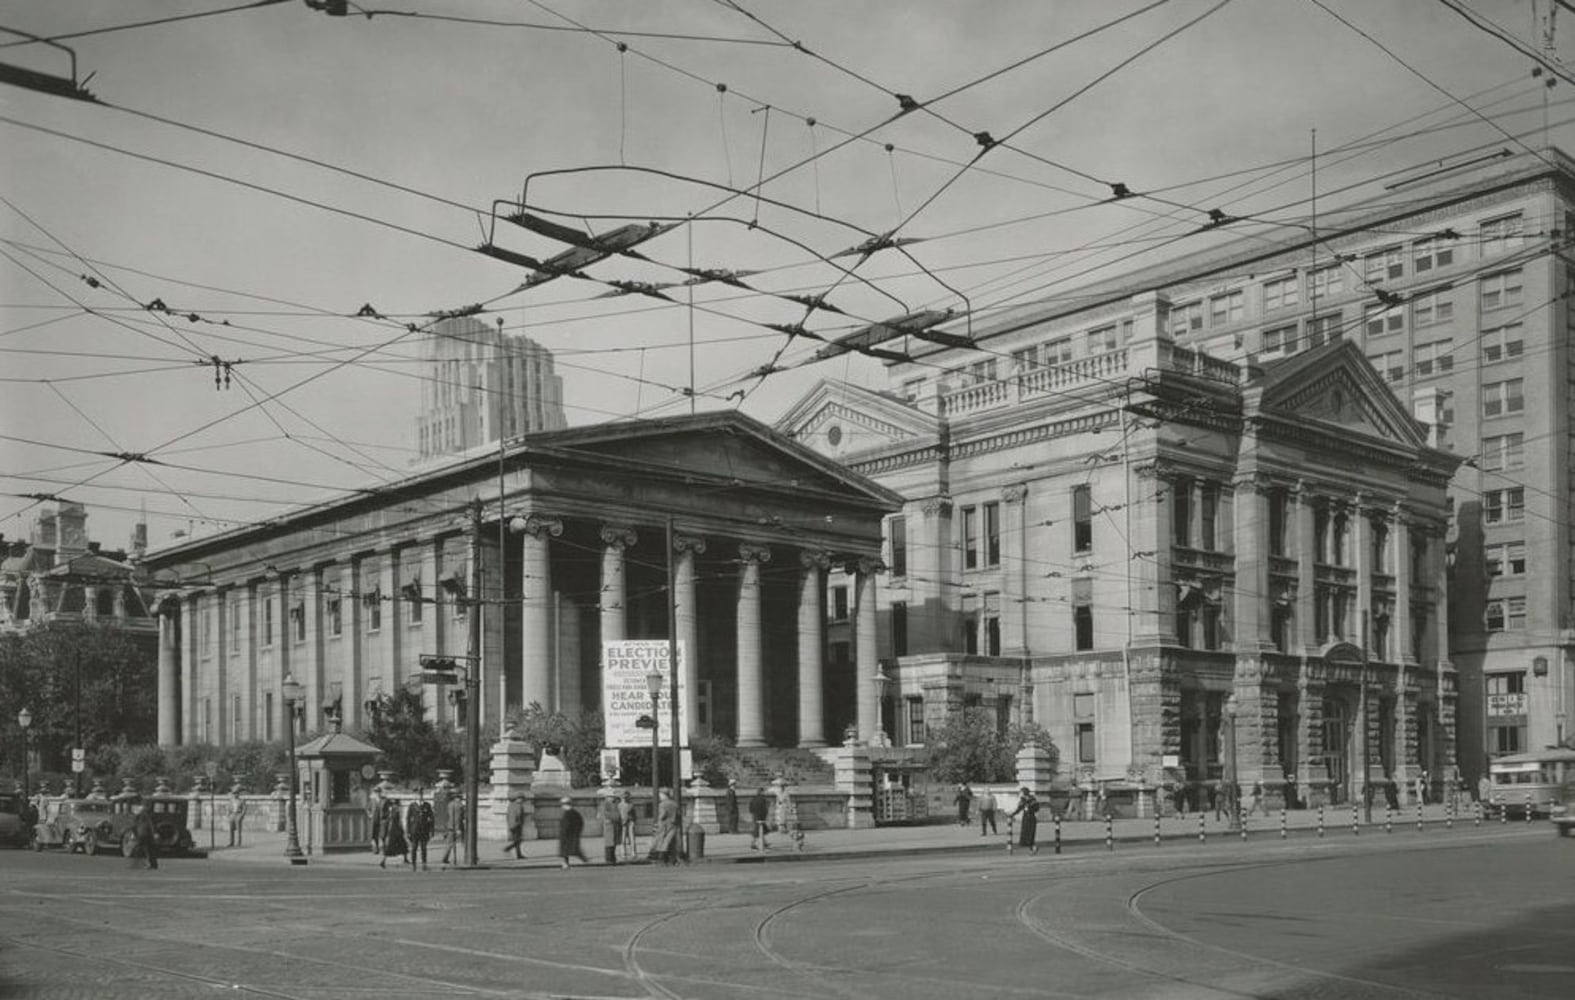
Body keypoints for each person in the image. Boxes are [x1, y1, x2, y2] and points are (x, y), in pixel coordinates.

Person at [406, 789, 435, 872]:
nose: (420, 796)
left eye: (421, 795)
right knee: (414, 848)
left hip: (424, 830)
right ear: (416, 796)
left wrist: (431, 830)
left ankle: (424, 864)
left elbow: (431, 818)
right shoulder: (412, 805)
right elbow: (408, 819)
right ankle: (413, 864)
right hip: (414, 830)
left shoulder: (427, 805)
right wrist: (408, 831)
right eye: (418, 795)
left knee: (423, 848)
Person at [649, 788, 679, 865]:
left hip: (664, 824)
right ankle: (672, 859)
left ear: (664, 795)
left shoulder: (662, 805)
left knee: (661, 841)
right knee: (670, 841)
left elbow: (662, 815)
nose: (660, 797)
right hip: (673, 824)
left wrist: (657, 823)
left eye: (661, 795)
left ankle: (662, 858)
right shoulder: (674, 804)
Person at [557, 797, 589, 869]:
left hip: (567, 834)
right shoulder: (574, 813)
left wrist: (564, 832)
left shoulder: (568, 813)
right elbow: (580, 823)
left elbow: (566, 824)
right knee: (572, 849)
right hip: (572, 834)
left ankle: (566, 863)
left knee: (566, 850)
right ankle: (583, 859)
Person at [1009, 787, 1040, 855]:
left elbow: (1036, 808)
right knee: (1028, 834)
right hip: (1029, 817)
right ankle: (1032, 848)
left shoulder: (1028, 799)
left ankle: (1033, 847)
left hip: (1029, 818)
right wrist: (1012, 814)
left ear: (1024, 793)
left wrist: (1012, 814)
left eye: (1021, 792)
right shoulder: (1027, 799)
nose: (1020, 794)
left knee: (1028, 834)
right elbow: (1020, 808)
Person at [129, 801, 159, 870]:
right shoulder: (147, 814)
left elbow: (134, 825)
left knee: (140, 849)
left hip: (143, 834)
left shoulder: (143, 815)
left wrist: (134, 834)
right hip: (146, 834)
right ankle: (153, 865)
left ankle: (138, 864)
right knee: (149, 850)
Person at [379, 798, 407, 869]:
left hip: (392, 829)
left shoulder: (390, 811)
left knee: (400, 845)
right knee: (401, 844)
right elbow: (399, 821)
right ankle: (383, 861)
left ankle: (405, 858)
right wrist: (403, 829)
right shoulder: (397, 811)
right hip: (396, 829)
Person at [440, 792, 465, 868]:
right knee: (465, 842)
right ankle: (470, 856)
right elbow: (457, 818)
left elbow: (449, 816)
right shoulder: (459, 805)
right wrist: (458, 829)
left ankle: (445, 858)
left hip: (450, 826)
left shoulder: (450, 804)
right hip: (458, 827)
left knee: (449, 843)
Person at [598, 792, 622, 865]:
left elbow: (618, 814)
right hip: (609, 826)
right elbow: (605, 814)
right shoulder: (605, 804)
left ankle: (612, 857)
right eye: (611, 797)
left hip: (614, 825)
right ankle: (609, 858)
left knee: (613, 842)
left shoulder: (615, 804)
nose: (613, 798)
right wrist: (615, 816)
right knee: (609, 843)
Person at [504, 791, 527, 859]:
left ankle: (518, 855)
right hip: (517, 825)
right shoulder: (519, 806)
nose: (523, 800)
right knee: (518, 840)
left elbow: (507, 816)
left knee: (517, 840)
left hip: (511, 825)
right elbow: (519, 815)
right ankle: (507, 849)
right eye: (522, 799)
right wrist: (520, 822)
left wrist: (509, 824)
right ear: (519, 798)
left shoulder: (510, 805)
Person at [748, 786, 771, 851]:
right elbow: (765, 809)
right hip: (761, 817)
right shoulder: (763, 799)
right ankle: (753, 844)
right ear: (762, 792)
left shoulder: (753, 799)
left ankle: (765, 843)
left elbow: (750, 809)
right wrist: (765, 816)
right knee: (757, 831)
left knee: (760, 831)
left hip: (755, 816)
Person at [618, 791, 637, 859]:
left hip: (630, 822)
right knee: (622, 839)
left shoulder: (631, 805)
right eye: (623, 798)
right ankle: (623, 853)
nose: (624, 799)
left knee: (632, 839)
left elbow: (634, 815)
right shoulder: (619, 805)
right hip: (622, 823)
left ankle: (633, 852)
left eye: (625, 797)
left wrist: (634, 822)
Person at [368, 788, 384, 856]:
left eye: (379, 792)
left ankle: (381, 848)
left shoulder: (383, 800)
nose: (378, 794)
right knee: (373, 835)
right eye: (377, 793)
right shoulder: (372, 801)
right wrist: (370, 814)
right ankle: (375, 848)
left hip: (381, 820)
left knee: (381, 834)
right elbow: (368, 809)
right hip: (373, 820)